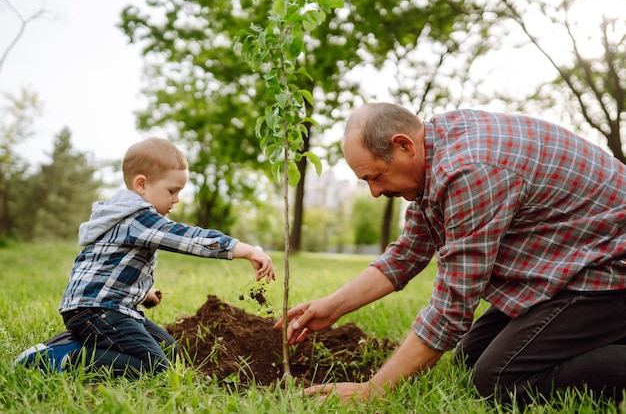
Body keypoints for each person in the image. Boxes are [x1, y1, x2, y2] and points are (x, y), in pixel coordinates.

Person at [275, 102, 626, 406]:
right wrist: (332, 307)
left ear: (403, 145)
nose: (375, 192)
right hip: (570, 264)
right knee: (467, 361)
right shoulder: (435, 152)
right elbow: (407, 254)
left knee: (497, 381)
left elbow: (452, 308)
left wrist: (374, 390)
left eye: (376, 177)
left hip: (608, 268)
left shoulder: (469, 170)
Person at [16, 137, 275, 378]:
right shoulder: (139, 218)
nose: (177, 199)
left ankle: (82, 342)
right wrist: (247, 250)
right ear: (142, 184)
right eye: (172, 191)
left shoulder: (123, 215)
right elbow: (189, 238)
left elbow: (104, 268)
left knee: (169, 350)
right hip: (96, 312)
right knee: (155, 367)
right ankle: (62, 357)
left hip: (106, 308)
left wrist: (142, 293)